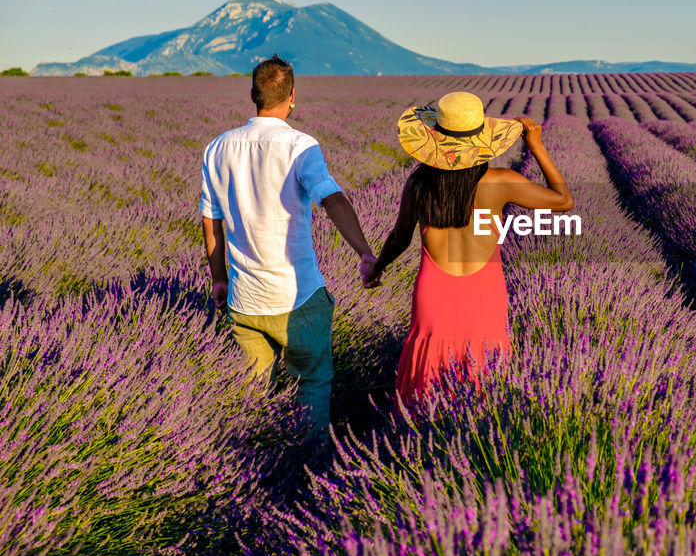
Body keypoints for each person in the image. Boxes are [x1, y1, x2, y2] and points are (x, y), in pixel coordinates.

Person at [199, 54, 377, 444]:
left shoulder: (218, 147)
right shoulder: (300, 145)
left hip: (244, 301)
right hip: (298, 298)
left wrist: (217, 279)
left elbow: (211, 220)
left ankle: (252, 468)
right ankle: (306, 471)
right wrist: (364, 252)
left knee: (251, 397)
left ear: (252, 94)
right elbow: (331, 199)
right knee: (311, 385)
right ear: (292, 96)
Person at [362, 91, 572, 404]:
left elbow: (399, 238)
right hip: (484, 293)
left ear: (436, 140)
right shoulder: (501, 182)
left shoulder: (419, 183)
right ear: (482, 141)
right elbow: (563, 201)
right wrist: (537, 147)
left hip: (434, 293)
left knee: (426, 383)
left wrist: (377, 267)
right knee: (485, 379)